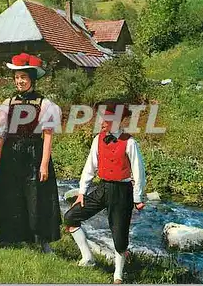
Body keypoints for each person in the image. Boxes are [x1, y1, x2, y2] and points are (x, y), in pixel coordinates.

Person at [63, 102, 146, 284]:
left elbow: (139, 172)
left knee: (119, 235)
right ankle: (88, 258)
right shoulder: (98, 139)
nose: (102, 122)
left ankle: (118, 274)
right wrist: (82, 192)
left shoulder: (130, 142)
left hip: (122, 192)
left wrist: (138, 198)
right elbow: (89, 168)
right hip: (102, 188)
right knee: (70, 217)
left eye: (106, 119)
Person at [0, 52, 62, 253]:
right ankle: (9, 238)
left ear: (31, 79)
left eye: (23, 77)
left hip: (34, 152)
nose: (19, 82)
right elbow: (1, 135)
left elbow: (48, 135)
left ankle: (41, 241)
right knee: (11, 195)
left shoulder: (44, 104)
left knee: (36, 196)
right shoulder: (8, 103)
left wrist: (43, 164)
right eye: (16, 78)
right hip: (11, 153)